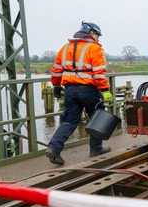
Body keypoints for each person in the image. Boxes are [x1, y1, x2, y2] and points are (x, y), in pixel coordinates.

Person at [46, 21, 113, 165]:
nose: (99, 38)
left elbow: (56, 70)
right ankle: (96, 149)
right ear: (91, 33)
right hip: (89, 90)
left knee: (69, 121)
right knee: (97, 117)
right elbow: (99, 74)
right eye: (97, 35)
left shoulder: (65, 48)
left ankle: (53, 148)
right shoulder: (95, 49)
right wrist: (105, 91)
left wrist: (56, 86)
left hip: (70, 90)